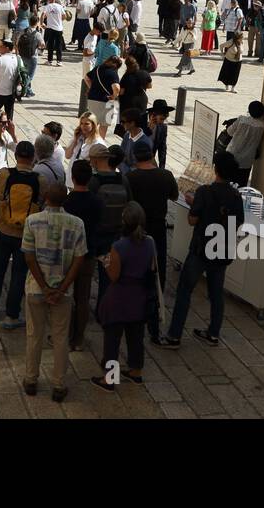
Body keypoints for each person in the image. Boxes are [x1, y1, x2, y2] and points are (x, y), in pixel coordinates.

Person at [158, 151, 244, 348]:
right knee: (216, 293)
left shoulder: (205, 192)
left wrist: (193, 204)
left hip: (201, 248)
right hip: (222, 250)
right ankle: (213, 333)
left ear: (216, 169)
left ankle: (174, 335)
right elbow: (237, 222)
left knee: (184, 291)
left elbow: (192, 220)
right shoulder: (236, 196)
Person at [21, 183, 87, 403]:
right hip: (63, 291)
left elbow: (29, 256)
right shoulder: (77, 224)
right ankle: (58, 384)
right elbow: (79, 259)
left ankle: (31, 379)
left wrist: (45, 286)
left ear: (46, 198)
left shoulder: (33, 221)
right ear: (65, 199)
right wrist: (61, 288)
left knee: (34, 335)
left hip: (36, 288)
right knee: (60, 338)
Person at [90, 201, 156, 391]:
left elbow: (114, 275)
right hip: (140, 296)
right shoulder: (150, 242)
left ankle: (109, 378)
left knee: (112, 339)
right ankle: (136, 371)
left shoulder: (119, 246)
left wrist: (105, 261)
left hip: (120, 297)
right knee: (136, 336)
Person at [0, 140, 46, 328]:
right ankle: (12, 314)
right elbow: (41, 201)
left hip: (4, 229)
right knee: (19, 274)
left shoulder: (5, 174)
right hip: (26, 234)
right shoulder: (39, 179)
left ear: (16, 155)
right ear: (33, 157)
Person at [125, 143, 178, 342]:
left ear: (135, 158)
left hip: (137, 229)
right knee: (158, 272)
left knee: (135, 270)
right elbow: (174, 195)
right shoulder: (166, 175)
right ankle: (154, 316)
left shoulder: (130, 178)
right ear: (152, 157)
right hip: (158, 228)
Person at [63, 159, 103, 351]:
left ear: (73, 177)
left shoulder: (67, 202)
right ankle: (78, 339)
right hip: (88, 254)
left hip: (68, 256)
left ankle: (64, 334)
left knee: (65, 294)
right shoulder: (96, 201)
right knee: (83, 297)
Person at [85, 55, 122, 139]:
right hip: (107, 101)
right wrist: (114, 96)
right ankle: (100, 143)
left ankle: (88, 141)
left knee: (93, 123)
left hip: (92, 98)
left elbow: (86, 78)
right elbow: (116, 87)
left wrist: (91, 88)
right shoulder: (113, 73)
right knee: (104, 126)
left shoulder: (98, 68)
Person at [147, 99, 172, 169]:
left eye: (164, 119)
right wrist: (149, 129)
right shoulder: (141, 122)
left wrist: (162, 168)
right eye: (161, 119)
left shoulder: (162, 127)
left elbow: (162, 149)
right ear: (154, 115)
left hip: (150, 161)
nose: (162, 122)